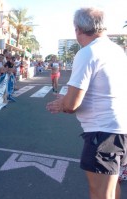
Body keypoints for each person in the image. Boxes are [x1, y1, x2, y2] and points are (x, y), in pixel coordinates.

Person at [46, 7, 127, 199]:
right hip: (119, 129)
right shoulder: (117, 51)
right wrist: (67, 100)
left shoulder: (87, 52)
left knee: (100, 193)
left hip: (103, 132)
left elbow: (72, 104)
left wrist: (63, 103)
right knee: (111, 187)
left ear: (78, 29)